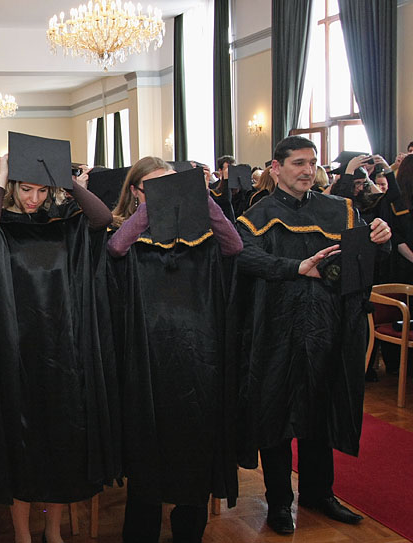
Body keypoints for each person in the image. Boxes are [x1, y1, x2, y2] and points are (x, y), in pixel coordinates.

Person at [235, 136, 391, 535]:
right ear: (276, 167)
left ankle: (320, 494)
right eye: (298, 163)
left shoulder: (341, 210)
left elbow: (362, 259)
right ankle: (279, 502)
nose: (307, 170)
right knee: (276, 415)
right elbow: (244, 257)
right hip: (277, 329)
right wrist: (295, 267)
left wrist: (380, 239)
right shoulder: (258, 215)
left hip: (328, 327)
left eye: (312, 162)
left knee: (321, 410)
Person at [0, 133, 116, 543]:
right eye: (26, 188)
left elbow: (103, 219)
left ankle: (52, 531)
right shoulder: (0, 227)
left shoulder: (64, 224)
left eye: (40, 189)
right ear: (14, 187)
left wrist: (69, 182)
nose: (33, 199)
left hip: (62, 352)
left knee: (60, 448)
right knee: (23, 451)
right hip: (15, 350)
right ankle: (22, 534)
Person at [107, 157, 242, 543]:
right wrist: (154, 207)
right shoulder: (127, 228)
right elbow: (117, 248)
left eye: (172, 184)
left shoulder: (200, 230)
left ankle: (189, 531)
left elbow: (234, 246)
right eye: (153, 185)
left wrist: (202, 199)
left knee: (194, 445)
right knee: (147, 448)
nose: (166, 192)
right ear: (135, 191)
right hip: (146, 356)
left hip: (197, 356)